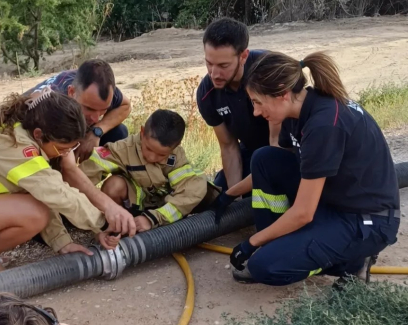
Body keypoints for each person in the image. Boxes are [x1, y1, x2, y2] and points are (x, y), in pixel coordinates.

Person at [226, 51, 400, 286]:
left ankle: (354, 262)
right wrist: (228, 195)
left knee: (265, 267)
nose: (256, 111)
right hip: (335, 201)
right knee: (265, 158)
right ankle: (281, 243)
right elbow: (277, 165)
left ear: (282, 94)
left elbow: (303, 212)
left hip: (366, 221)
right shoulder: (299, 112)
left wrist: (251, 243)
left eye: (258, 102)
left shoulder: (324, 125)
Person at [0, 89, 122, 277]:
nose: (63, 155)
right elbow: (57, 194)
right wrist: (104, 224)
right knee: (36, 215)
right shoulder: (16, 148)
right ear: (38, 134)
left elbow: (40, 191)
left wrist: (62, 243)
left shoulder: (17, 129)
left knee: (33, 201)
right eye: (62, 149)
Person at [79, 109, 218, 232]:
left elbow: (189, 192)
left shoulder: (177, 157)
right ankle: (118, 227)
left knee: (199, 186)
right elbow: (84, 174)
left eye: (161, 155)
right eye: (149, 148)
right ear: (142, 132)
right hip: (138, 204)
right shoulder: (123, 149)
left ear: (176, 146)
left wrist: (153, 218)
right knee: (113, 185)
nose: (152, 157)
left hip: (166, 208)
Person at [197, 17, 281, 218]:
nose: (214, 73)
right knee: (218, 194)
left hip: (286, 149)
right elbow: (228, 146)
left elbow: (276, 148)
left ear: (243, 56)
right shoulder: (206, 93)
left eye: (223, 65)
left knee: (269, 196)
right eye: (209, 63)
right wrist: (233, 198)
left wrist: (242, 190)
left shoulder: (269, 72)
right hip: (250, 150)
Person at [30, 59, 132, 161]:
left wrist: (96, 131)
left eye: (103, 110)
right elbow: (68, 168)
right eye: (89, 108)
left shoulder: (101, 91)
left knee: (119, 132)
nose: (96, 119)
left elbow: (125, 106)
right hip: (35, 132)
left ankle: (96, 171)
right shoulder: (54, 106)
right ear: (71, 92)